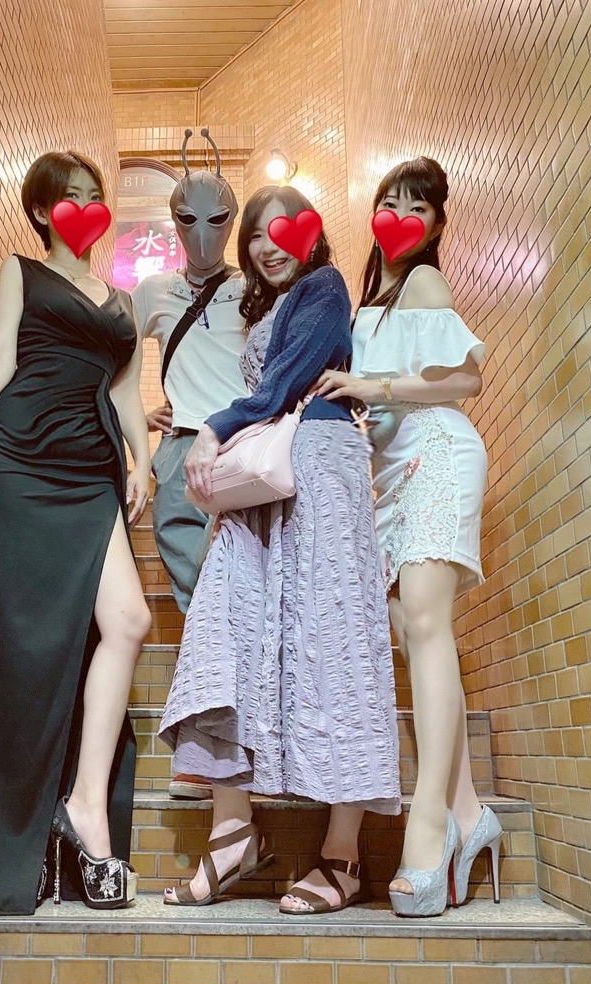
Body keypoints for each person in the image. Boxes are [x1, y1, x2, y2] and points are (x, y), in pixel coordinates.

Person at [0, 151, 152, 915]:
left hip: (91, 466)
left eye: (94, 194)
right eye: (70, 196)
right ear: (45, 211)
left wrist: (141, 460)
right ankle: (25, 821)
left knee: (128, 619)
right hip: (22, 453)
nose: (85, 205)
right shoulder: (21, 270)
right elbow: (0, 353)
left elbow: (123, 387)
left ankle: (83, 801)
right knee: (25, 641)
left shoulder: (120, 300)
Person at [158, 185, 400, 914]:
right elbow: (274, 385)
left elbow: (291, 377)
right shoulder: (262, 306)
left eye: (282, 230)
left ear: (311, 235)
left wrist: (214, 426)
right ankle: (233, 831)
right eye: (257, 235)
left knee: (333, 642)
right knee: (223, 629)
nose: (268, 246)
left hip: (320, 467)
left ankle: (342, 854)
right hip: (268, 476)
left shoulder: (324, 286)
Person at [316, 156, 501, 917]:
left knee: (424, 626)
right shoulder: (376, 297)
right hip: (392, 474)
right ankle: (468, 812)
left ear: (435, 223)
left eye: (416, 206)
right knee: (407, 629)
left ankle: (428, 826)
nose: (400, 216)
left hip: (437, 451)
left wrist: (373, 386)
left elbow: (465, 379)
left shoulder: (423, 281)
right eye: (389, 203)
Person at [132, 129, 248, 801]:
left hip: (242, 449)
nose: (202, 233)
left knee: (238, 595)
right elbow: (117, 371)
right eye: (186, 218)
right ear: (171, 221)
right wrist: (138, 432)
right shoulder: (151, 292)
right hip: (179, 451)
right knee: (197, 595)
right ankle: (210, 752)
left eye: (217, 217)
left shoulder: (253, 286)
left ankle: (230, 750)